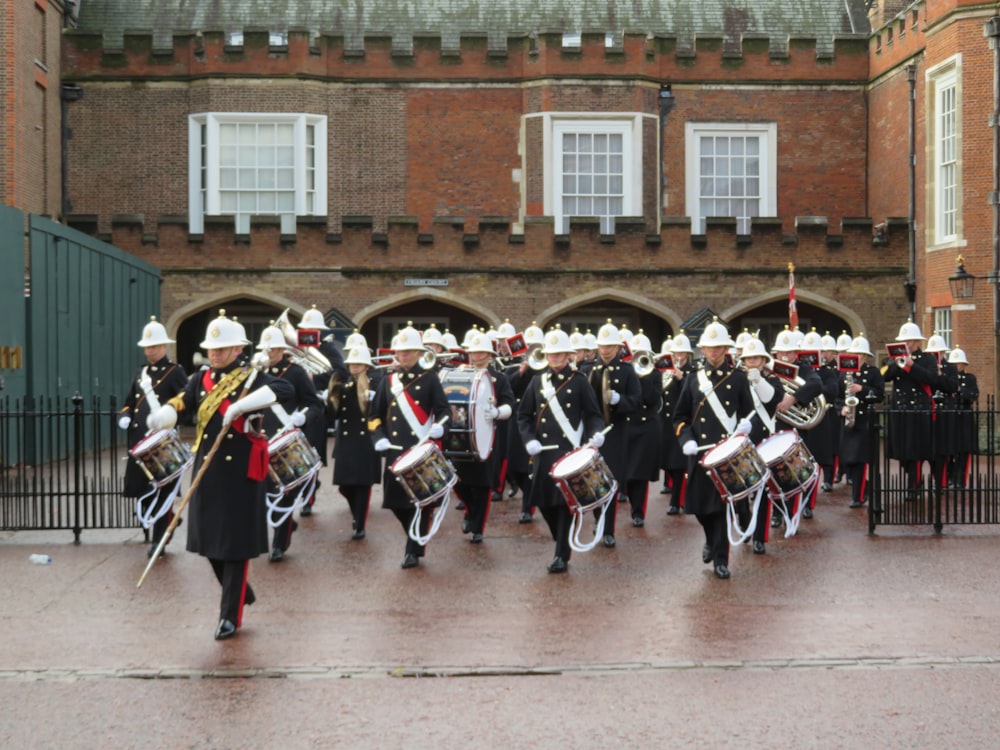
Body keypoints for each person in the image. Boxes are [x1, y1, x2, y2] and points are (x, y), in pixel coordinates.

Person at [146, 310, 294, 640]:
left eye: (221, 349)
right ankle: (241, 591)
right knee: (210, 544)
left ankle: (229, 616)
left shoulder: (251, 377)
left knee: (235, 547)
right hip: (208, 471)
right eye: (212, 349)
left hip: (240, 473)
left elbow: (285, 390)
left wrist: (243, 406)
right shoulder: (201, 379)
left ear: (237, 349)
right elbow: (183, 400)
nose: (215, 354)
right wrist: (166, 414)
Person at [517, 328, 605, 573]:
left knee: (564, 504)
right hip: (543, 452)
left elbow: (594, 415)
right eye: (551, 354)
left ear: (568, 355)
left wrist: (595, 434)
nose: (554, 358)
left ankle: (561, 556)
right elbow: (523, 415)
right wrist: (528, 439)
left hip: (569, 451)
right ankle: (561, 541)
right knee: (544, 503)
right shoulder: (537, 381)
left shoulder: (579, 381)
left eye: (559, 354)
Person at [673, 319, 754, 579]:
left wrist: (745, 426)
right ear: (703, 350)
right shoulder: (693, 379)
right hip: (700, 452)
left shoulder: (738, 379)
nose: (714, 352)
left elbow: (748, 412)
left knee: (721, 509)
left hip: (727, 454)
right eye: (710, 348)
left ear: (726, 349)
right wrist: (685, 439)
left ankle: (721, 559)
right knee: (698, 507)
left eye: (719, 347)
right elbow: (680, 416)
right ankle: (710, 539)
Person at [368, 323, 451, 569]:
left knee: (420, 502)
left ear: (417, 353)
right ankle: (415, 536)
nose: (403, 355)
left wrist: (441, 428)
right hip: (394, 451)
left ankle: (412, 550)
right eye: (400, 351)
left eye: (408, 351)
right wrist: (378, 437)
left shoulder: (430, 379)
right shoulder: (387, 380)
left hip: (420, 450)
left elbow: (445, 411)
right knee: (395, 502)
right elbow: (374, 416)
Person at [118, 316, 189, 558]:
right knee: (140, 490)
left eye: (155, 346)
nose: (150, 351)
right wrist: (124, 416)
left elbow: (184, 402)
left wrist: (168, 416)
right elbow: (129, 401)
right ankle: (168, 521)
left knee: (162, 491)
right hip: (139, 440)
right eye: (147, 347)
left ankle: (159, 539)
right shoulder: (141, 372)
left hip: (162, 441)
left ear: (164, 347)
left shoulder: (175, 371)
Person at [256, 324, 324, 562]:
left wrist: (303, 416)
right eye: (266, 349)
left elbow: (315, 404)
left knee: (283, 493)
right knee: (261, 495)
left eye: (273, 349)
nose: (269, 353)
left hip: (286, 441)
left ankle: (279, 545)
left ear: (282, 350)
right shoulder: (255, 372)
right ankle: (280, 530)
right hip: (261, 441)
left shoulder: (295, 372)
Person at [449, 330, 515, 543]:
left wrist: (497, 412)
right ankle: (470, 509)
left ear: (489, 355)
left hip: (488, 437)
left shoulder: (500, 378)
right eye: (473, 352)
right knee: (458, 481)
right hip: (461, 437)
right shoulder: (460, 373)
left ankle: (478, 527)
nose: (476, 357)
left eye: (481, 353)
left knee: (483, 485)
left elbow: (509, 404)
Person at [881, 320, 956, 500]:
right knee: (904, 450)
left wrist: (911, 366)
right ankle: (913, 481)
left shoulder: (928, 359)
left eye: (909, 341)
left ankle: (913, 487)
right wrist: (896, 363)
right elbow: (884, 376)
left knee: (916, 449)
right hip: (901, 410)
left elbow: (931, 379)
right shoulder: (895, 359)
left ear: (917, 342)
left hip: (919, 410)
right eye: (904, 341)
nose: (906, 344)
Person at [587, 320, 641, 547]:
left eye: (609, 346)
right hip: (592, 433)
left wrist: (622, 401)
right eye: (602, 346)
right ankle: (599, 518)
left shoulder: (627, 372)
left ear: (618, 348)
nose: (605, 350)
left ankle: (608, 529)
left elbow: (637, 401)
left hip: (617, 432)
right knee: (592, 481)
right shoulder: (588, 369)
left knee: (611, 482)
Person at [297, 305, 349, 516]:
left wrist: (313, 378)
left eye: (313, 330)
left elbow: (341, 373)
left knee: (310, 454)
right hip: (293, 406)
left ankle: (308, 497)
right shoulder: (294, 348)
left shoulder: (327, 349)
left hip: (315, 405)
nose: (309, 334)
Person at [770, 327, 824, 524]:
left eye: (790, 352)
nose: (785, 356)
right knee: (774, 472)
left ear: (796, 353)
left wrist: (793, 398)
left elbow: (817, 385)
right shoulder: (769, 368)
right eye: (782, 352)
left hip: (795, 428)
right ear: (775, 353)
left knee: (796, 471)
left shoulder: (805, 369)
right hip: (774, 426)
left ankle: (795, 511)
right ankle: (776, 513)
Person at [736, 336, 783, 554]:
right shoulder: (735, 380)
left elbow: (771, 399)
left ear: (764, 361)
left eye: (756, 358)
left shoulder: (773, 380)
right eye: (748, 359)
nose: (752, 362)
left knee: (764, 491)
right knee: (739, 488)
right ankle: (745, 520)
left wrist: (758, 381)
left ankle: (759, 538)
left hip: (764, 440)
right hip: (740, 441)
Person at [331, 343, 383, 539]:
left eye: (358, 364)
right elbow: (334, 413)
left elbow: (382, 409)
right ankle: (357, 516)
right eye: (351, 364)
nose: (354, 367)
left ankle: (360, 524)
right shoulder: (344, 385)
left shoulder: (376, 384)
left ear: (366, 366)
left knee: (362, 486)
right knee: (345, 486)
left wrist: (373, 398)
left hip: (365, 441)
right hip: (346, 441)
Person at [837, 335, 884, 508]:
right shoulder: (844, 373)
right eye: (853, 354)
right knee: (848, 458)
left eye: (859, 354)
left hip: (864, 421)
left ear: (864, 356)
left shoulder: (873, 372)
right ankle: (862, 490)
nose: (856, 357)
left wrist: (862, 389)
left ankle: (858, 496)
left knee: (860, 459)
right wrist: (840, 408)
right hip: (849, 421)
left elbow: (879, 395)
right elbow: (836, 396)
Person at [506, 321, 544, 522]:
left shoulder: (546, 366)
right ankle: (528, 499)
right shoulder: (513, 366)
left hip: (537, 419)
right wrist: (520, 372)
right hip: (518, 420)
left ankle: (527, 508)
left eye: (536, 346)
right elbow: (507, 389)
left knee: (530, 468)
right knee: (514, 467)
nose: (532, 350)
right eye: (529, 346)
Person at [623, 331, 662, 527]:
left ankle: (638, 511)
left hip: (646, 426)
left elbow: (652, 399)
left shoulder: (654, 374)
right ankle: (629, 501)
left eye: (642, 353)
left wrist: (642, 376)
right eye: (635, 352)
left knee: (640, 474)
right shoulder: (623, 372)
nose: (638, 356)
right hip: (627, 425)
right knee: (626, 473)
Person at [660, 332, 694, 514]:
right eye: (675, 354)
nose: (678, 357)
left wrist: (681, 379)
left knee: (679, 465)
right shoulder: (666, 370)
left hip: (681, 422)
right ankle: (676, 494)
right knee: (667, 463)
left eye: (681, 354)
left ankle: (676, 501)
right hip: (665, 423)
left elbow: (690, 397)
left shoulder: (692, 372)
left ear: (687, 354)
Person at [943, 347, 978, 488]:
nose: (956, 366)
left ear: (964, 364)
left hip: (964, 418)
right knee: (949, 451)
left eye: (958, 363)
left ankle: (960, 479)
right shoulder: (947, 379)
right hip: (950, 417)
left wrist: (959, 390)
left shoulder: (970, 379)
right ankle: (949, 478)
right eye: (954, 363)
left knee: (963, 451)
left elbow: (973, 395)